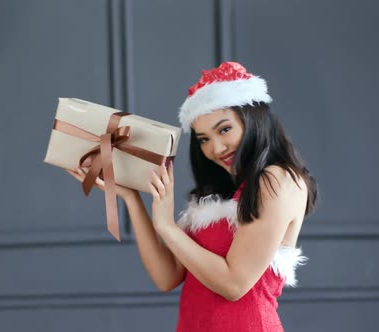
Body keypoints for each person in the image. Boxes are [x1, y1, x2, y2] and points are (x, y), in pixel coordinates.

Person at [67, 61, 318, 331]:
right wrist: (131, 198)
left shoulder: (277, 180)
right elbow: (167, 277)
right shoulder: (221, 197)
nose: (216, 147)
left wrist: (166, 226)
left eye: (224, 129)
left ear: (254, 120)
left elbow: (234, 285)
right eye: (203, 139)